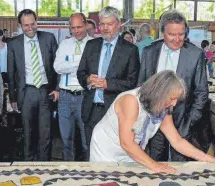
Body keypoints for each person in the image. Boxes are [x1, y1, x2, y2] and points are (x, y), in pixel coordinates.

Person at [90, 70, 215, 172]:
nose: (174, 104)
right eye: (172, 98)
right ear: (160, 94)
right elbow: (127, 143)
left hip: (132, 152)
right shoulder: (130, 101)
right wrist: (154, 165)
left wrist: (204, 157)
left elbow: (177, 141)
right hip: (107, 151)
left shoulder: (163, 107)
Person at [139, 10, 211, 161]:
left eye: (181, 34)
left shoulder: (195, 54)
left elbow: (201, 93)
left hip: (183, 123)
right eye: (172, 34)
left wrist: (188, 123)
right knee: (155, 164)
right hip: (154, 122)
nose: (177, 39)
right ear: (162, 32)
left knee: (181, 169)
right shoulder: (149, 52)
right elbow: (141, 87)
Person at [77, 6, 140, 159]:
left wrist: (108, 84)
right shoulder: (91, 45)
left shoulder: (130, 50)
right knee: (90, 152)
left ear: (118, 24)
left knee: (112, 154)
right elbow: (80, 73)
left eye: (109, 24)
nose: (105, 28)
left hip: (115, 111)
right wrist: (87, 80)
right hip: (91, 110)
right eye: (102, 24)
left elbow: (132, 83)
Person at [8, 9, 59, 161]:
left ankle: (45, 166)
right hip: (26, 93)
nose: (30, 28)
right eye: (26, 25)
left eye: (32, 24)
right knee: (28, 133)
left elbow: (58, 67)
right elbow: (11, 73)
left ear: (37, 22)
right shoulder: (14, 44)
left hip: (45, 92)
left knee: (46, 133)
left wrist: (57, 89)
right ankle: (28, 165)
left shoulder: (48, 38)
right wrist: (13, 98)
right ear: (20, 26)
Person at [54, 13, 92, 161]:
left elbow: (93, 70)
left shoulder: (94, 44)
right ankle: (67, 173)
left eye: (80, 27)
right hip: (65, 97)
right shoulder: (65, 44)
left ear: (86, 25)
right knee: (66, 140)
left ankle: (89, 172)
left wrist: (68, 66)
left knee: (86, 140)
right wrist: (81, 65)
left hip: (85, 97)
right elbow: (57, 67)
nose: (77, 31)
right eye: (73, 28)